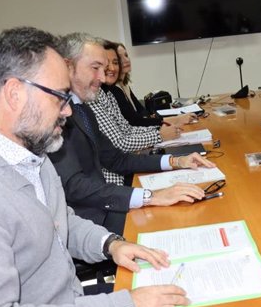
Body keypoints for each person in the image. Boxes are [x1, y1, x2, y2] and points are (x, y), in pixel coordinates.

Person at [0, 26, 189, 307]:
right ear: (15, 94)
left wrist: (110, 244)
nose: (68, 111)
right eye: (59, 96)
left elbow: (56, 221)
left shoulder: (28, 153)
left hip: (69, 301)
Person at [49, 33, 214, 235]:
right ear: (68, 66)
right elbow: (74, 186)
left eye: (104, 68)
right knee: (182, 225)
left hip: (105, 206)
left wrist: (175, 162)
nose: (102, 77)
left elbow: (116, 159)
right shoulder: (56, 115)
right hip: (87, 223)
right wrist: (150, 196)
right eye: (95, 68)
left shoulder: (82, 109)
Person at [89, 41, 180, 186]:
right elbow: (120, 144)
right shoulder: (91, 98)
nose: (111, 68)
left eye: (115, 62)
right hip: (116, 181)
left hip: (125, 168)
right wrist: (159, 134)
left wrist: (159, 128)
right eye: (103, 64)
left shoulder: (106, 94)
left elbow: (127, 128)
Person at [110, 42, 195, 127]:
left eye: (126, 55)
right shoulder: (114, 90)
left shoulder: (124, 85)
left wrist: (149, 117)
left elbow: (141, 109)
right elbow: (135, 121)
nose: (126, 60)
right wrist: (177, 119)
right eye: (120, 58)